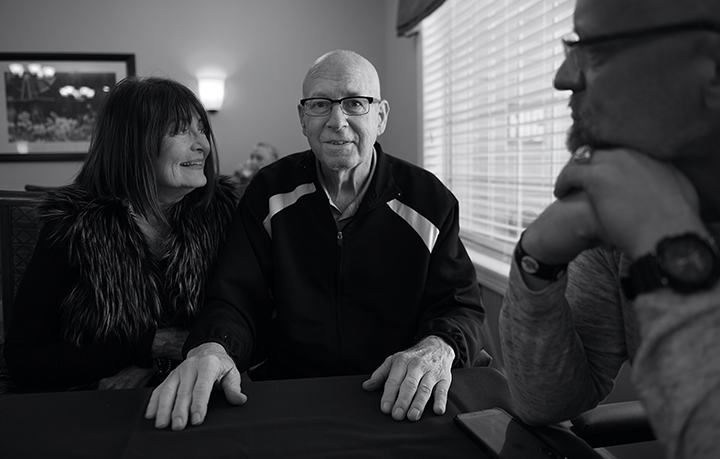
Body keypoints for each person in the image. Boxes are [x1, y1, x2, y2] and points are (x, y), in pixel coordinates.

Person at [145, 49, 490, 431]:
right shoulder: (270, 192)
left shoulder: (429, 200)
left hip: (394, 393)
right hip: (287, 391)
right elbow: (236, 297)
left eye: (356, 103)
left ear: (382, 116)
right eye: (320, 104)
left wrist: (436, 347)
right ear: (302, 118)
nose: (337, 121)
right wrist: (213, 346)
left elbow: (461, 307)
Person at [498, 0, 720, 457]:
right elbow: (548, 402)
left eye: (595, 51)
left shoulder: (640, 219)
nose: (563, 77)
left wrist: (668, 246)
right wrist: (535, 260)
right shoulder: (615, 226)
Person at [2, 76, 241, 392]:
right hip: (91, 404)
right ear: (133, 142)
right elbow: (24, 359)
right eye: (181, 130)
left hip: (198, 393)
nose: (202, 144)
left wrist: (159, 364)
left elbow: (247, 321)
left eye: (202, 128)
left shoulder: (221, 212)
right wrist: (150, 345)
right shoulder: (74, 226)